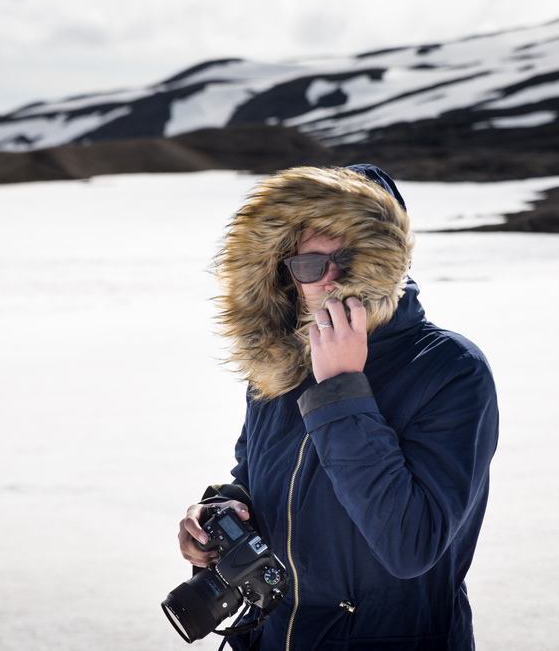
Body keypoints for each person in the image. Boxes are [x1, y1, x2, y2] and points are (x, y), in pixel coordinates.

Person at [177, 164, 499, 651]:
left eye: (350, 259)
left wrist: (343, 389)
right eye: (309, 265)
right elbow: (257, 474)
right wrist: (224, 510)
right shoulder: (281, 363)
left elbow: (411, 546)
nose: (329, 280)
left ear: (388, 261)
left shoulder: (450, 369)